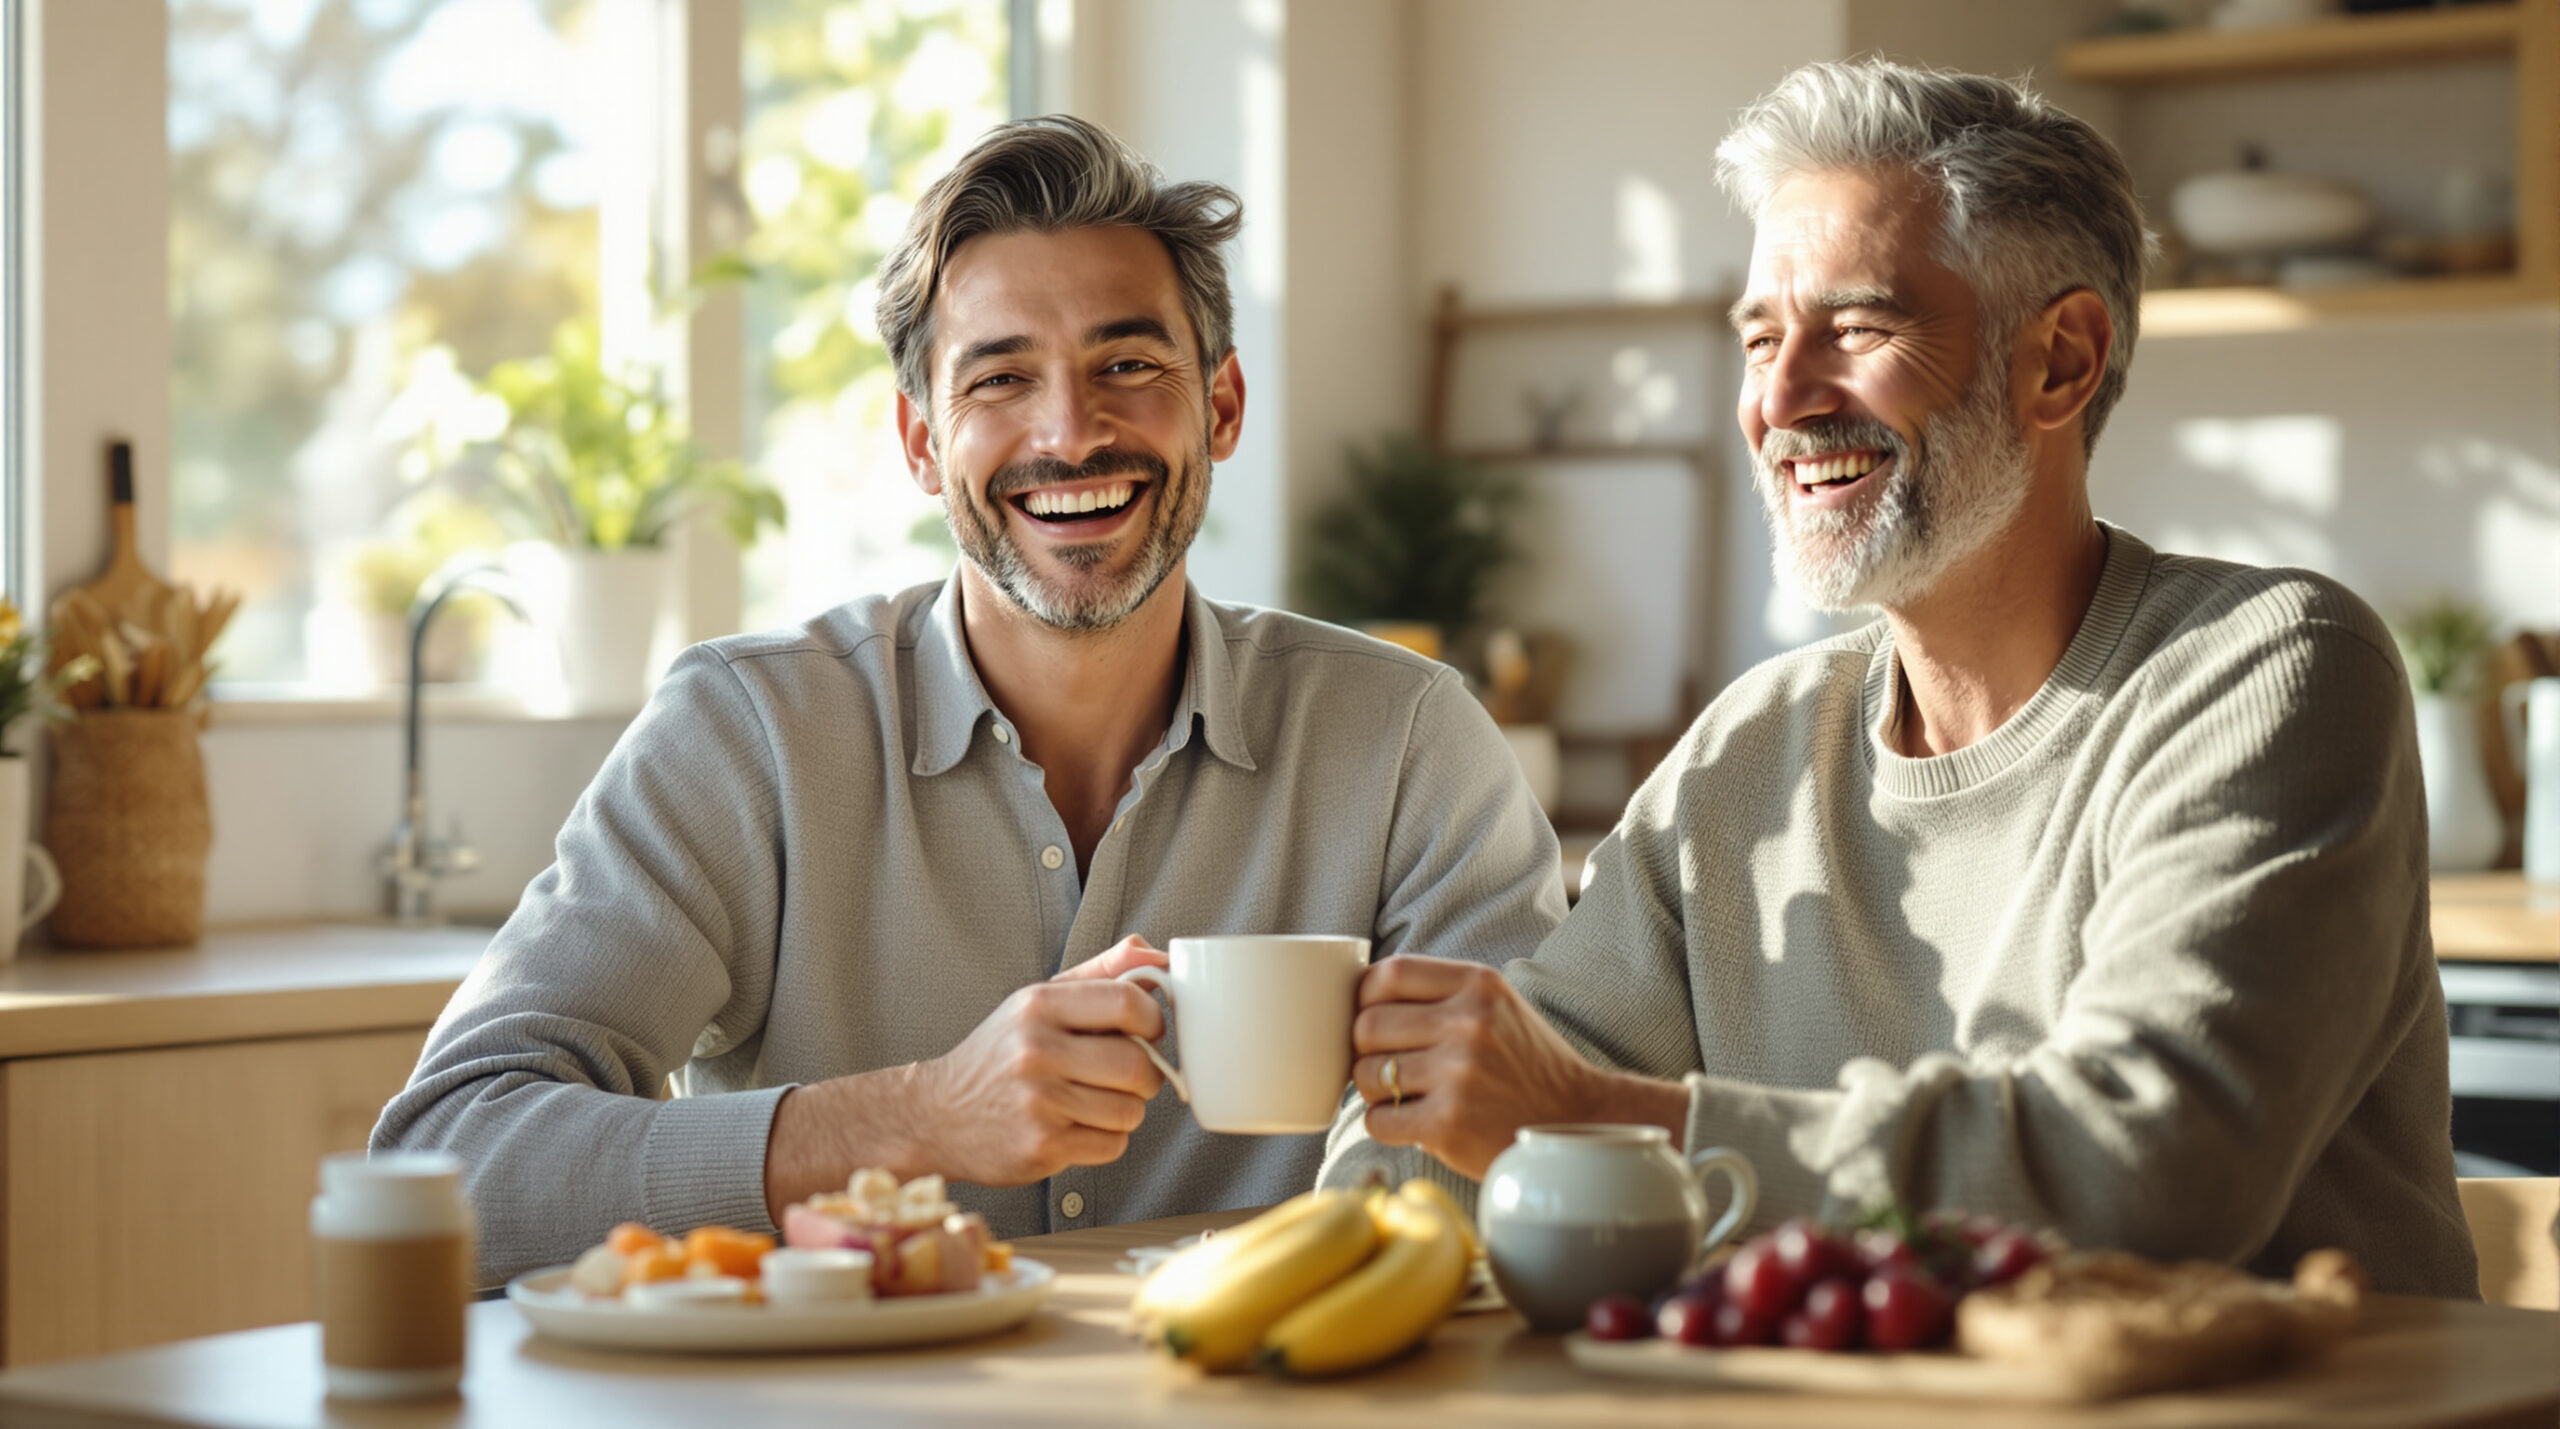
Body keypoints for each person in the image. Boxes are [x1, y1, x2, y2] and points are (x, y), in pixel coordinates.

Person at [1319, 61, 2478, 1298]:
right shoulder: (1750, 751)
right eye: (1761, 339)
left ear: (2060, 361)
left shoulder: (2267, 673)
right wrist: (1392, 1142)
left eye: (1858, 329)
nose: (1779, 398)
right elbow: (1466, 1120)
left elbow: (2150, 1175)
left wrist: (1626, 1125)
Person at [376, 115, 1565, 1283]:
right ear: (918, 441)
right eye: (1000, 377)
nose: (1070, 430)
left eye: (1129, 366)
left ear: (1221, 407)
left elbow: (1532, 1142)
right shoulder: (749, 734)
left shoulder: (1411, 743)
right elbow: (449, 1162)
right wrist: (916, 1115)